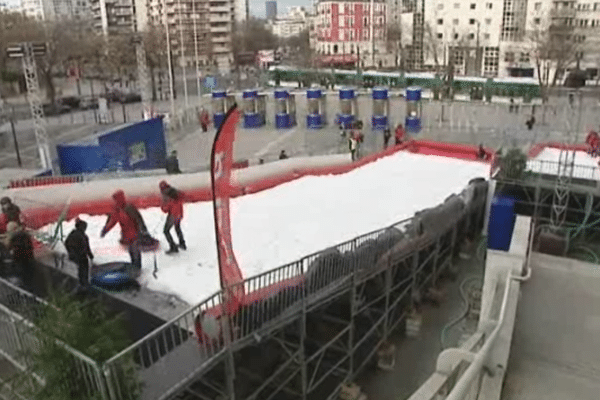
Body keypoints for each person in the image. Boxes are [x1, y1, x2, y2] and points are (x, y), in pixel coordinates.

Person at [100, 190, 148, 274]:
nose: (115, 202)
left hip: (134, 233)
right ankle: (134, 266)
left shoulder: (129, 208)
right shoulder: (117, 210)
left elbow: (138, 219)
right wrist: (105, 230)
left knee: (135, 250)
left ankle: (137, 267)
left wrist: (143, 229)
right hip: (126, 233)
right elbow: (112, 221)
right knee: (131, 251)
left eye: (115, 200)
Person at [65, 218, 94, 288]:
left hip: (83, 255)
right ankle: (82, 283)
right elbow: (67, 243)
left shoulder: (84, 236)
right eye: (84, 227)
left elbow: (87, 246)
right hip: (78, 255)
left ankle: (85, 283)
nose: (85, 228)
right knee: (82, 269)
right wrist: (72, 253)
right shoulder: (75, 234)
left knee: (85, 269)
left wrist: (90, 254)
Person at [159, 181, 186, 254]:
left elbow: (165, 209)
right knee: (177, 227)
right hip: (179, 214)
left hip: (172, 216)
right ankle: (182, 243)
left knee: (166, 231)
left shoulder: (167, 196)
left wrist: (162, 203)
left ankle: (173, 247)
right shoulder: (175, 192)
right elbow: (183, 196)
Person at [7, 222, 35, 291]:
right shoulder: (25, 236)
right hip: (29, 264)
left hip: (20, 267)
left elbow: (15, 253)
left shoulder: (16, 239)